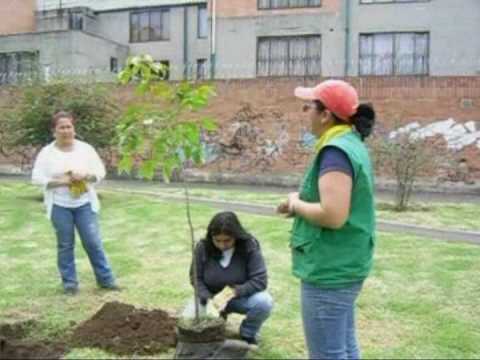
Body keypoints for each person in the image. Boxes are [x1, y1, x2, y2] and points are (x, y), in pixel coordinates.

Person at [277, 80, 376, 359]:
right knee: (343, 346)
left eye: (309, 106)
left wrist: (296, 205)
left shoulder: (335, 151)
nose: (304, 111)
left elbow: (333, 216)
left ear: (325, 115)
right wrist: (299, 200)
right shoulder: (349, 143)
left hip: (330, 270)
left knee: (328, 353)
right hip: (346, 262)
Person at [32, 111, 118, 295]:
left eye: (69, 126)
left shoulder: (85, 149)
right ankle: (70, 284)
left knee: (93, 242)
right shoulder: (47, 153)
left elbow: (100, 172)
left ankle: (107, 281)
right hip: (59, 206)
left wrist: (85, 176)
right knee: (65, 244)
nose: (66, 130)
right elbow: (36, 178)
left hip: (85, 203)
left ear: (74, 128)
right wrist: (61, 181)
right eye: (61, 127)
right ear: (54, 130)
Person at [190, 211, 273, 345]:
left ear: (236, 235)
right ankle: (218, 322)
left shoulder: (249, 246)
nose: (222, 245)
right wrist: (209, 299)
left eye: (227, 240)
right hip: (210, 300)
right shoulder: (202, 247)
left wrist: (232, 292)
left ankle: (248, 332)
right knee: (192, 324)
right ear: (211, 237)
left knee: (264, 302)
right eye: (217, 240)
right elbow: (195, 278)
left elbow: (260, 280)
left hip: (239, 297)